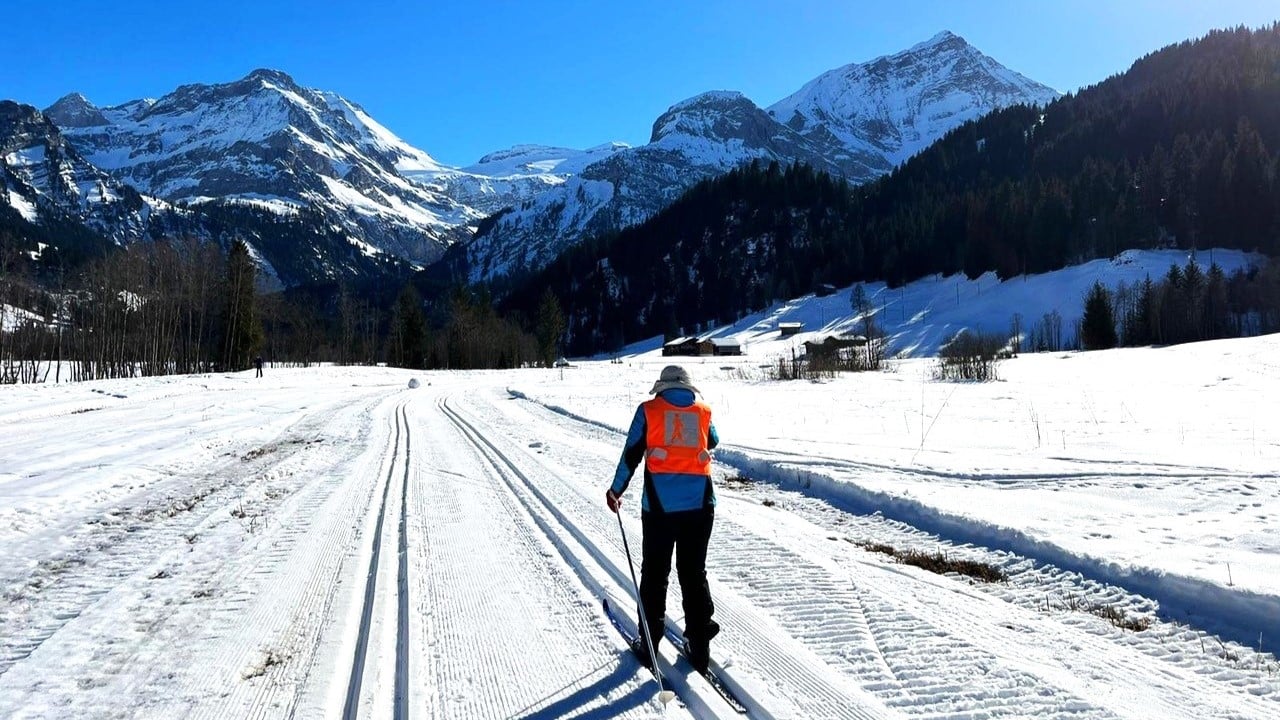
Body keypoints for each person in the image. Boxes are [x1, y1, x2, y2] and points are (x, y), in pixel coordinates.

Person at [606, 365, 720, 673]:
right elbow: (714, 441)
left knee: (655, 574)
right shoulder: (703, 412)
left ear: (662, 387)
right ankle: (699, 647)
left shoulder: (649, 410)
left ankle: (650, 641)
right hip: (700, 508)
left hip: (659, 509)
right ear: (688, 387)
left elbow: (631, 454)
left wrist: (616, 490)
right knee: (693, 573)